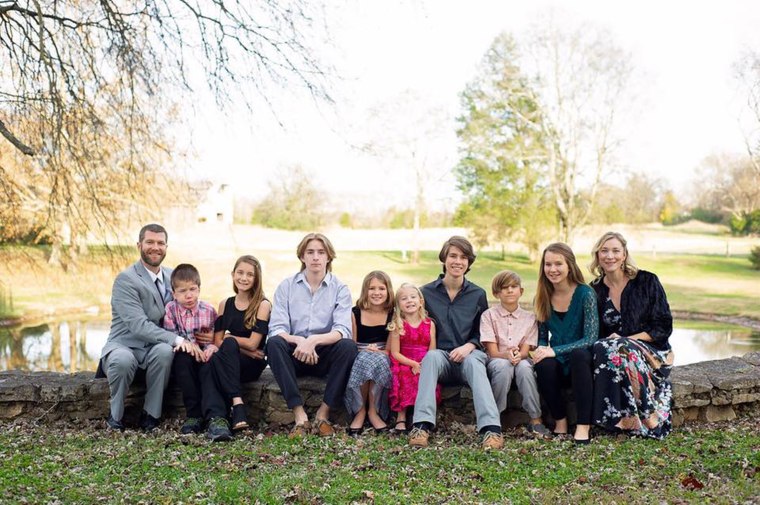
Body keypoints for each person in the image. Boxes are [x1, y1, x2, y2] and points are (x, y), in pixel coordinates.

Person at [409, 236, 504, 450]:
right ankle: (421, 426)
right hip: (441, 357)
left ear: (469, 263)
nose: (457, 261)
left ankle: (491, 430)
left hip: (471, 354)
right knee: (431, 357)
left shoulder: (478, 294)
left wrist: (469, 346)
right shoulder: (425, 293)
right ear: (444, 258)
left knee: (473, 362)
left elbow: (484, 331)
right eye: (453, 255)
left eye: (463, 257)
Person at [99, 224, 195, 431]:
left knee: (164, 352)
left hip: (155, 347)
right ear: (139, 245)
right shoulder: (126, 279)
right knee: (122, 360)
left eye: (160, 243)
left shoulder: (173, 276)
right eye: (150, 242)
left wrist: (202, 335)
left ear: (166, 247)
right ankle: (115, 416)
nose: (155, 247)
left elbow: (188, 308)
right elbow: (138, 325)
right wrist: (178, 339)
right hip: (125, 345)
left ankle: (151, 415)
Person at [266, 233, 357, 437]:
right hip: (294, 354)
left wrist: (313, 341)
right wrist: (300, 341)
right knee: (273, 343)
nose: (315, 257)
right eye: (310, 252)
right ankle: (300, 415)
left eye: (321, 252)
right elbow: (277, 328)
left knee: (348, 347)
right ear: (302, 257)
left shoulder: (340, 288)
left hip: (323, 354)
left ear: (328, 257)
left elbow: (342, 329)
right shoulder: (286, 286)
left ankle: (322, 414)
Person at [589, 231, 674, 439]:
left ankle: (650, 419)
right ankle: (619, 421)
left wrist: (628, 340)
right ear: (598, 256)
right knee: (603, 347)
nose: (610, 256)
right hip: (614, 355)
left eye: (616, 251)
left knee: (621, 347)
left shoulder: (646, 281)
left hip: (654, 353)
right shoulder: (595, 290)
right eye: (604, 251)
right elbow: (595, 333)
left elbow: (663, 326)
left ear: (624, 254)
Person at [531, 243, 599, 444]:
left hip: (583, 365)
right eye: (548, 264)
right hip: (558, 364)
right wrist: (542, 349)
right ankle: (560, 421)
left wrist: (554, 350)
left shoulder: (585, 294)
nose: (552, 269)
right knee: (543, 362)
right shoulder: (542, 296)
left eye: (558, 264)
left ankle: (583, 425)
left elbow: (590, 338)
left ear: (569, 265)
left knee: (579, 355)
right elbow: (542, 336)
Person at [201, 255, 271, 442]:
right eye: (240, 272)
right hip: (233, 359)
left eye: (250, 274)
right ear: (233, 275)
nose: (244, 278)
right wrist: (236, 344)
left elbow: (253, 344)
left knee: (223, 351)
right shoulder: (225, 304)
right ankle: (233, 406)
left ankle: (225, 410)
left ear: (257, 279)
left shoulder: (263, 305)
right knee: (213, 360)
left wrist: (230, 339)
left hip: (251, 364)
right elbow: (217, 342)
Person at [480, 270, 551, 438]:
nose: (510, 290)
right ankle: (493, 418)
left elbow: (526, 351)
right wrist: (508, 356)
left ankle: (536, 419)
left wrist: (518, 356)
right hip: (497, 359)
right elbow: (493, 351)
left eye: (514, 286)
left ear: (521, 291)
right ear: (496, 293)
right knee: (504, 367)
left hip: (522, 358)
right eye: (504, 288)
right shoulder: (488, 316)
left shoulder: (530, 318)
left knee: (525, 369)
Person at [162, 263, 218, 435]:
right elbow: (172, 337)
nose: (189, 295)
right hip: (185, 357)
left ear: (199, 289)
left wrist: (211, 347)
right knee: (182, 360)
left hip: (205, 355)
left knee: (211, 365)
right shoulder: (171, 309)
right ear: (174, 294)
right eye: (182, 291)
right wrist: (190, 346)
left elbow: (215, 335)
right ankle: (193, 415)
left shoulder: (208, 310)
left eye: (193, 289)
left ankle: (213, 416)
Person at [344, 271, 395, 436]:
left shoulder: (393, 314)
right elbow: (351, 344)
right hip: (359, 352)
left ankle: (373, 411)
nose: (377, 292)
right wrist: (365, 351)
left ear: (388, 291)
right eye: (372, 288)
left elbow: (389, 349)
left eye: (382, 288)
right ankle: (360, 411)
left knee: (376, 360)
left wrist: (379, 352)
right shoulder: (356, 312)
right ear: (365, 291)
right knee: (366, 359)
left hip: (383, 354)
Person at [388, 283, 440, 433]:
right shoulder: (397, 325)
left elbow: (432, 349)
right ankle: (401, 416)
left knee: (424, 378)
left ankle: (421, 416)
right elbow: (395, 352)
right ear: (398, 305)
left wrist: (423, 364)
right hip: (404, 360)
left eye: (413, 297)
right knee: (404, 376)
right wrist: (412, 364)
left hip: (425, 361)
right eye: (404, 298)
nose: (409, 301)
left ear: (421, 301)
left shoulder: (429, 324)